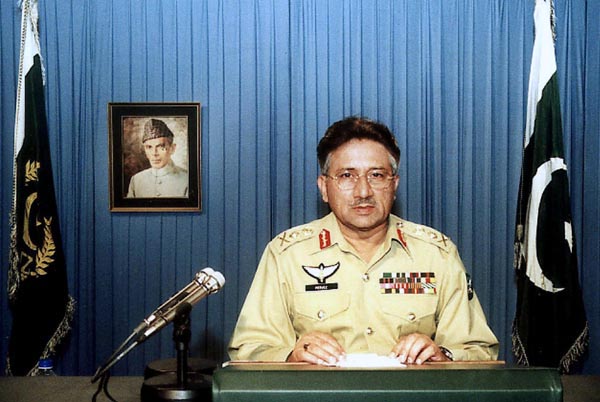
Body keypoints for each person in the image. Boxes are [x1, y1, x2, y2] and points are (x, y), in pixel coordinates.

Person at [228, 116, 499, 365]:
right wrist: (291, 355)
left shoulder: (436, 253)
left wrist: (443, 355)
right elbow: (249, 350)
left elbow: (480, 351)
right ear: (324, 187)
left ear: (394, 185)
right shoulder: (287, 254)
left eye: (376, 175)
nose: (363, 191)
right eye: (347, 176)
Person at [126, 118, 188, 198]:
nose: (154, 153)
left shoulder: (187, 180)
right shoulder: (136, 180)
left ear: (172, 148)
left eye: (160, 147)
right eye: (149, 147)